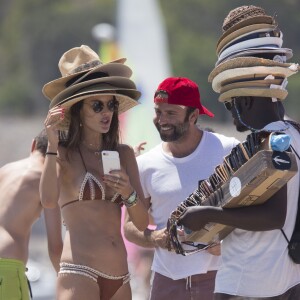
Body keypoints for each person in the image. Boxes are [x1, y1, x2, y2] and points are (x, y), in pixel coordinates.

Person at [178, 5, 300, 299]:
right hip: (288, 280)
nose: (231, 116)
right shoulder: (295, 132)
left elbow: (274, 216)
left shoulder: (270, 141)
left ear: (244, 100)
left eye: (230, 105)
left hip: (249, 282)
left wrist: (207, 212)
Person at [39, 45, 149, 300]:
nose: (107, 112)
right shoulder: (63, 154)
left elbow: (142, 223)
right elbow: (46, 201)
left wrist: (128, 193)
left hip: (121, 276)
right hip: (79, 271)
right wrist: (52, 146)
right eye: (97, 106)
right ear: (77, 110)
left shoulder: (124, 154)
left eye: (110, 104)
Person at [124, 77, 240, 300]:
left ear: (194, 115)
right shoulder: (146, 164)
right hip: (167, 281)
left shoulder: (227, 150)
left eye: (171, 113)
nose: (162, 120)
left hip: (222, 276)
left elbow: (251, 207)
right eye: (158, 112)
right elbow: (130, 226)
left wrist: (226, 243)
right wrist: (154, 238)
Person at [0, 130, 63, 300]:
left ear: (33, 144)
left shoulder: (5, 170)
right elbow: (55, 248)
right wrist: (67, 281)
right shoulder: (46, 181)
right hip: (7, 266)